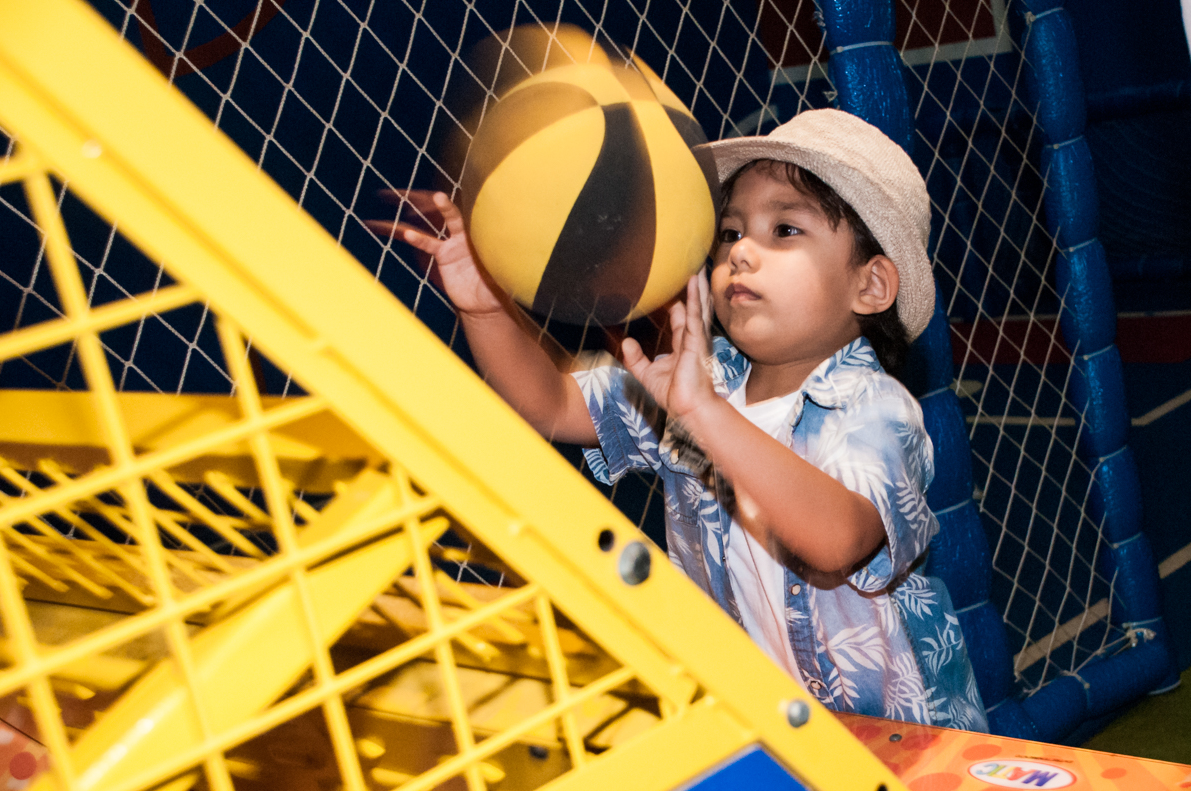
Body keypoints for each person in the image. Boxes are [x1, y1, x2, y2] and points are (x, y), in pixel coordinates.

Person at [380, 108, 988, 731]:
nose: (742, 252)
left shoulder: (873, 408)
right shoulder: (702, 377)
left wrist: (704, 415)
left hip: (897, 733)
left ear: (870, 286)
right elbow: (551, 403)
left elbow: (836, 541)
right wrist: (485, 306)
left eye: (784, 229)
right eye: (729, 233)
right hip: (756, 724)